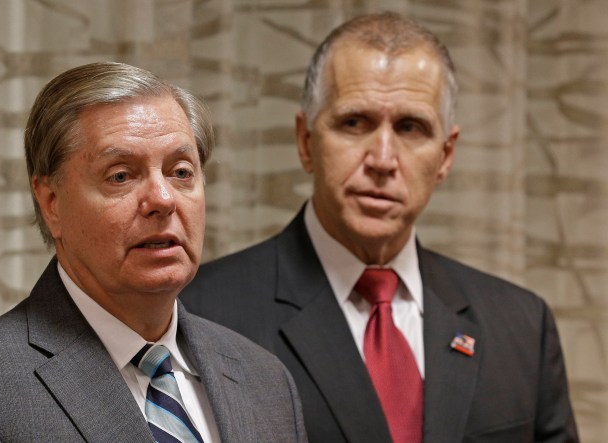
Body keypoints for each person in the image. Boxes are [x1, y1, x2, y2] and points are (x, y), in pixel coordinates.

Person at [181, 11, 578, 443]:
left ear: (445, 156)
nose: (383, 160)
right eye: (355, 123)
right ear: (306, 141)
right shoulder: (198, 312)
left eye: (411, 127)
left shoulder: (521, 324)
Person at [0, 62, 307, 443]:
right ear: (51, 202)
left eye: (181, 172)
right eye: (121, 176)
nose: (162, 199)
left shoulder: (266, 381)